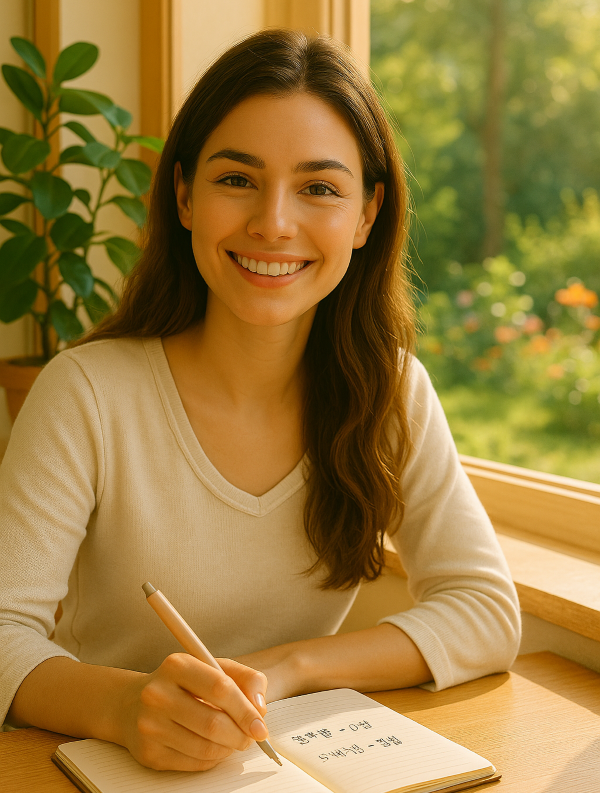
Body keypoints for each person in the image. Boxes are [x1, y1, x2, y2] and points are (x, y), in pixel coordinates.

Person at [0, 29, 520, 772]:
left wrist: (286, 669)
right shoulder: (86, 394)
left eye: (319, 188)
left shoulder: (390, 391)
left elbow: (485, 612)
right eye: (237, 179)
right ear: (183, 193)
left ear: (367, 215)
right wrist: (124, 705)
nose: (273, 222)